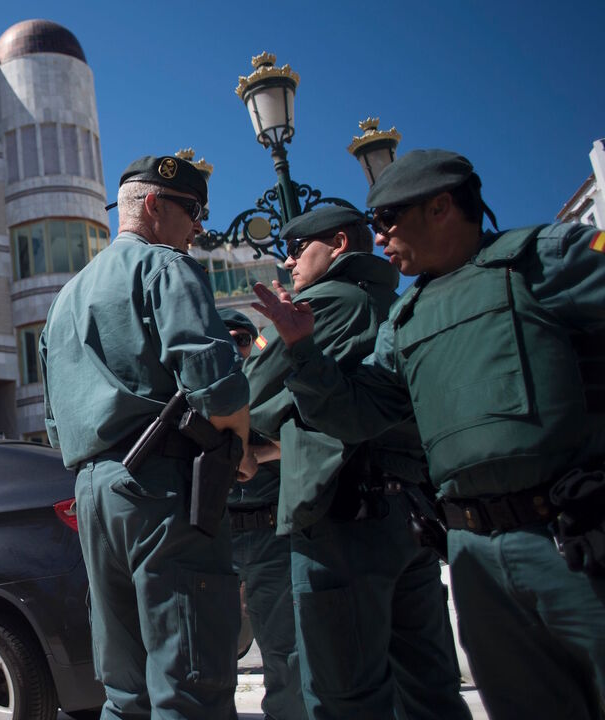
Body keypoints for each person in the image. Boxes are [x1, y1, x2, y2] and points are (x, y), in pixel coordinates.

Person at [251, 149, 605, 720]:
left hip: (569, 537)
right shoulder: (405, 317)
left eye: (390, 219)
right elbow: (358, 412)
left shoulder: (545, 257)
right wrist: (303, 350)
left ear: (441, 206)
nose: (381, 234)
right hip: (470, 549)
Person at [40, 154, 256, 719]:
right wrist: (240, 450)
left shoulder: (64, 299)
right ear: (156, 204)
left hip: (93, 492)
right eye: (194, 211)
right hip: (163, 488)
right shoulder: (166, 266)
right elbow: (216, 384)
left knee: (126, 691)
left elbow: (54, 423)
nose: (201, 227)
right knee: (190, 681)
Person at [244, 205, 468, 720]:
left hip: (342, 514)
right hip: (411, 513)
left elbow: (254, 393)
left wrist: (283, 416)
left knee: (343, 694)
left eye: (298, 249)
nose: (288, 261)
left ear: (339, 244)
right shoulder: (398, 303)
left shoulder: (323, 300)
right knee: (428, 688)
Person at [219, 308, 307, 720]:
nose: (236, 347)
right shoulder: (203, 393)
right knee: (209, 661)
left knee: (287, 657)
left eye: (242, 338)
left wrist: (257, 452)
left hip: (273, 535)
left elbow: (306, 436)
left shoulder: (273, 385)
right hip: (217, 540)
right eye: (226, 339)